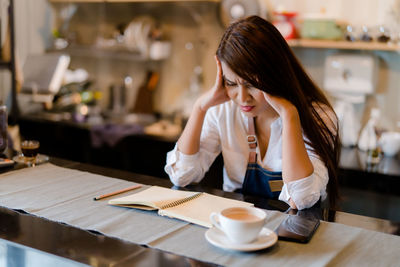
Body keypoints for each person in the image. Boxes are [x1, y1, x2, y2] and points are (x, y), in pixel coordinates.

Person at [165, 16, 340, 210]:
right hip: (235, 226)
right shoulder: (223, 110)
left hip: (293, 231)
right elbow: (181, 175)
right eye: (231, 84)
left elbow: (301, 198)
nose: (242, 98)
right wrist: (199, 107)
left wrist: (289, 114)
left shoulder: (318, 116)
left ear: (276, 75)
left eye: (252, 85)